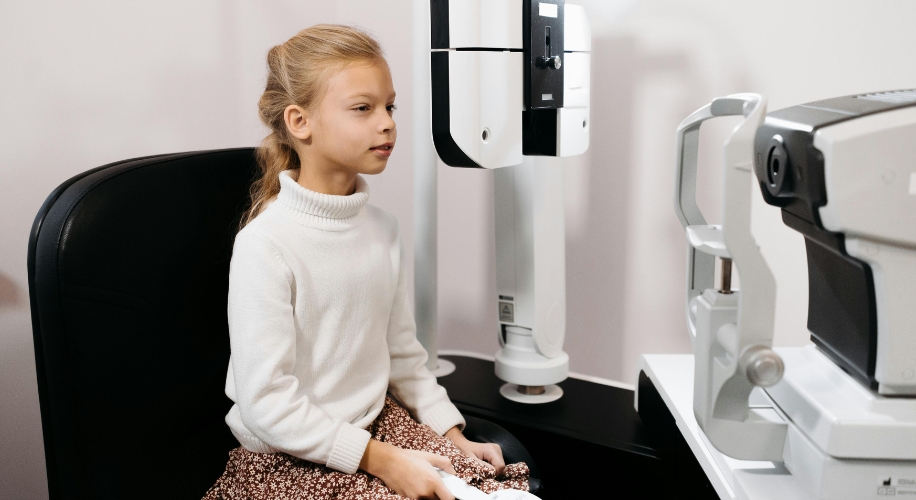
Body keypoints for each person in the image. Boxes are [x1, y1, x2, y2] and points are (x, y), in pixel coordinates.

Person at [204, 25, 530, 500]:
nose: (387, 123)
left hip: (376, 425)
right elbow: (266, 403)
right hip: (292, 455)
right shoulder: (266, 246)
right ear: (299, 122)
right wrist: (381, 460)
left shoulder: (383, 229)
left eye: (389, 106)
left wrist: (452, 434)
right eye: (363, 108)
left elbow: (403, 356)